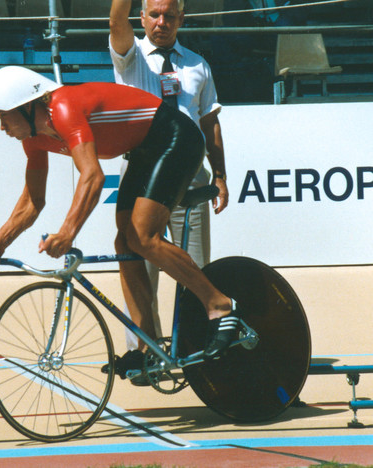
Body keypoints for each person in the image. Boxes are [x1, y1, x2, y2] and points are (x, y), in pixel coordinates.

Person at [0, 66, 241, 383]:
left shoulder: (63, 107)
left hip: (176, 139)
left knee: (143, 237)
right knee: (125, 241)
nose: (2, 126)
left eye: (3, 116)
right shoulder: (34, 139)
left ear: (28, 106)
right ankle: (146, 346)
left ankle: (220, 305)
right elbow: (33, 201)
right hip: (143, 151)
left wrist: (67, 233)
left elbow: (93, 176)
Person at [108, 0, 229, 378]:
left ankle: (201, 352)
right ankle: (145, 354)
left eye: (170, 16)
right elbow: (115, 20)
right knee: (138, 257)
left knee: (194, 268)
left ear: (182, 19)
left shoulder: (197, 63)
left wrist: (220, 174)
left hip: (190, 175)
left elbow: (209, 122)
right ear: (141, 17)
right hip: (145, 172)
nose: (162, 23)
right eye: (154, 15)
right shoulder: (130, 56)